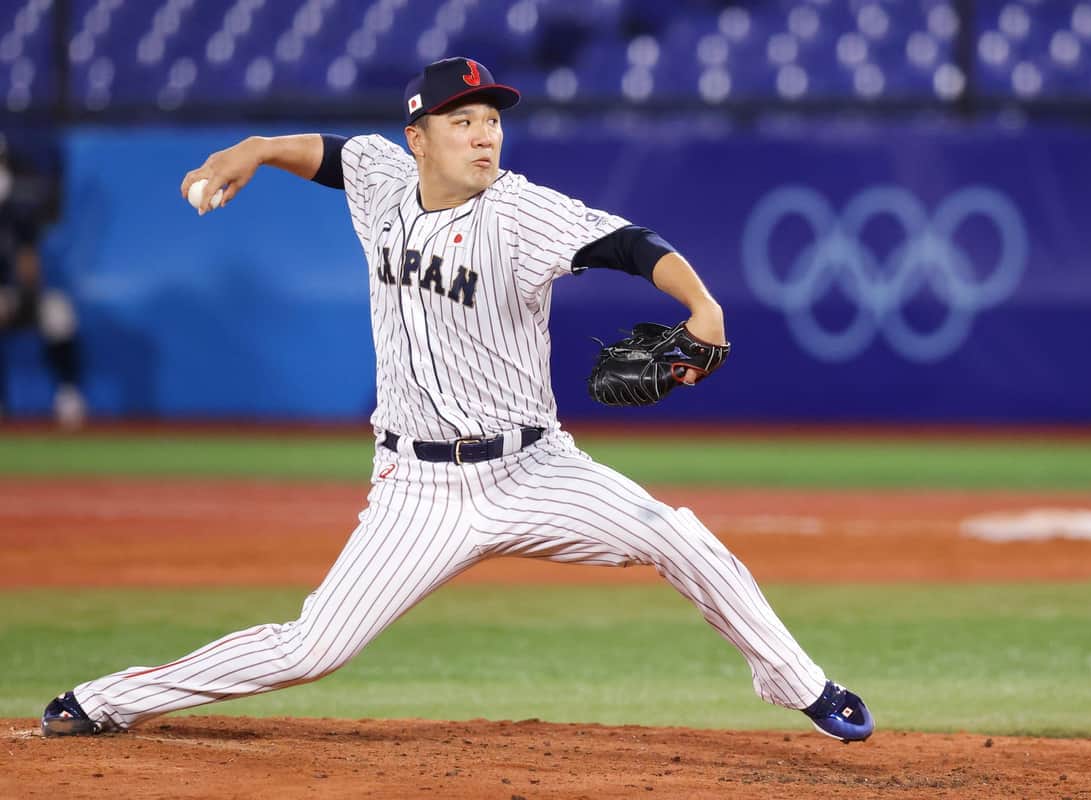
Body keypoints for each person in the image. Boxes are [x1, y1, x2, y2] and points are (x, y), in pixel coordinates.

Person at [41, 58, 873, 742]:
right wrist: (253, 148)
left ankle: (805, 686)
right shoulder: (379, 176)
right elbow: (324, 154)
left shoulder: (521, 211)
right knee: (312, 647)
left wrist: (703, 306)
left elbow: (629, 245)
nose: (484, 134)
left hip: (535, 468)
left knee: (680, 537)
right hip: (419, 489)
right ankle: (109, 699)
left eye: (492, 119)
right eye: (462, 120)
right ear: (419, 139)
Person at [0, 133, 85, 428]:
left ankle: (68, 395)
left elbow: (29, 267)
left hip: (17, 296)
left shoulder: (17, 211)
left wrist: (18, 296)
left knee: (58, 313)